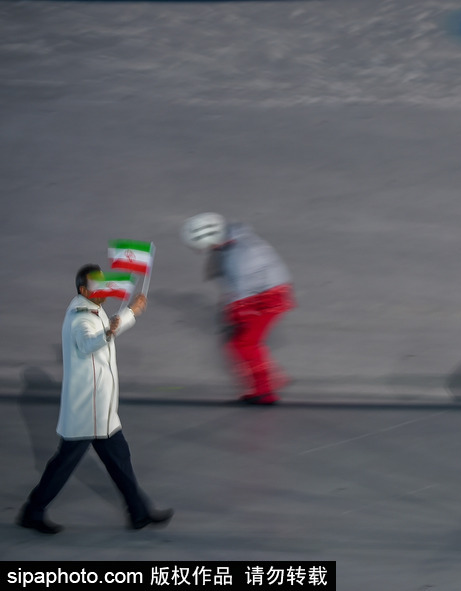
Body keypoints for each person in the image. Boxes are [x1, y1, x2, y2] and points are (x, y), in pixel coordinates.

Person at [17, 265, 173, 534]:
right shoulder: (80, 317)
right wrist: (124, 318)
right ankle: (33, 511)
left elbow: (106, 329)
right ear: (82, 290)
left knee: (120, 460)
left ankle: (139, 513)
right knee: (64, 464)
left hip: (101, 410)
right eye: (96, 285)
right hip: (87, 411)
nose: (103, 288)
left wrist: (125, 315)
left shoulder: (92, 306)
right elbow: (89, 342)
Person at [181, 213, 295, 405]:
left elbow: (244, 287)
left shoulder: (241, 253)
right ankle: (270, 380)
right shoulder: (233, 242)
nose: (206, 251)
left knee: (245, 344)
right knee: (241, 343)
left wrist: (235, 312)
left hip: (267, 299)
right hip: (265, 295)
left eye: (206, 246)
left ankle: (265, 391)